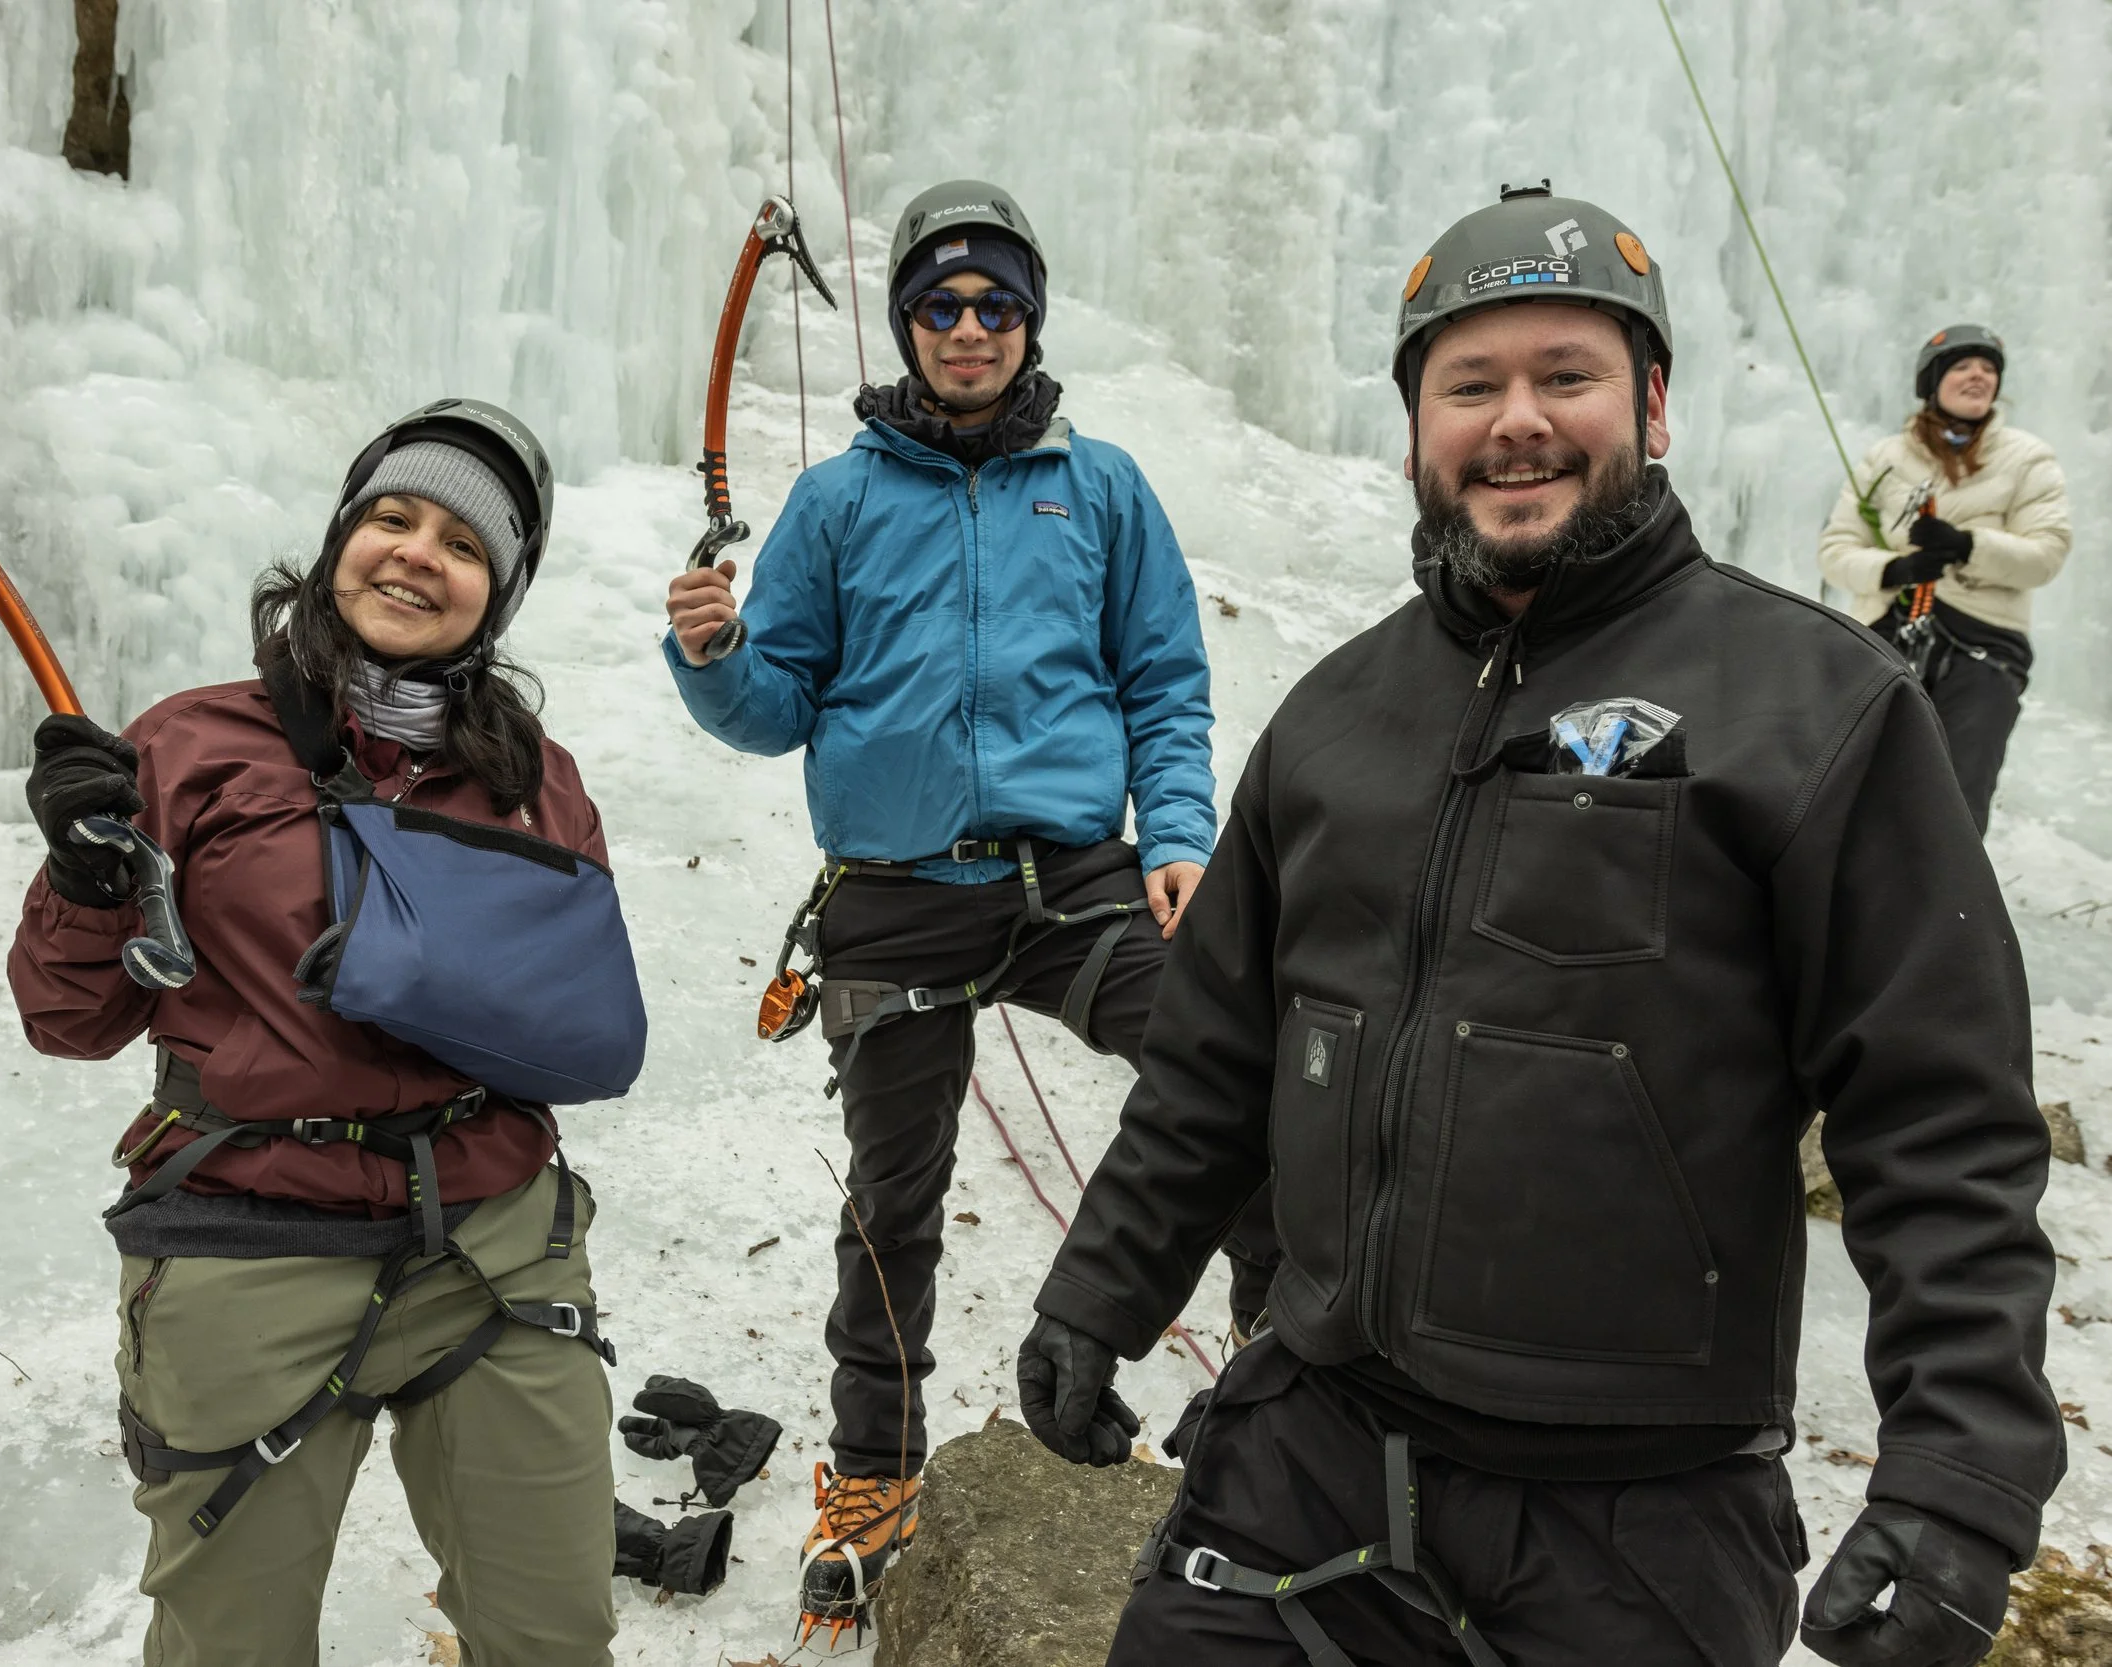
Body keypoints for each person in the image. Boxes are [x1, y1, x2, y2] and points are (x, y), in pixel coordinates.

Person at [1017, 184, 2064, 1667]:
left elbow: (1939, 1121)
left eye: (1564, 376)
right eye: (1471, 384)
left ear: (1650, 405)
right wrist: (1099, 1292)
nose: (1517, 421)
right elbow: (1213, 1062)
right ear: (1414, 432)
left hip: (1635, 1521)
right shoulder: (1335, 715)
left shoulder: (1817, 708)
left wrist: (1961, 1472)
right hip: (1309, 1453)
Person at [663, 179, 1218, 1636]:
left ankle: (1281, 1378)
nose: (968, 325)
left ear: (1029, 318)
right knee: (892, 1193)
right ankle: (874, 1465)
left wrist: (1177, 831)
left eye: (995, 302)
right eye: (940, 303)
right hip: (894, 899)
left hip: (1074, 884)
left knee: (1224, 1072)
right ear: (908, 324)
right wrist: (716, 658)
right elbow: (774, 705)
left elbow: (1163, 677)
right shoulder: (840, 499)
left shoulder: (1097, 486)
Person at [8, 400, 627, 1667]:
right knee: (232, 1644)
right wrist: (81, 876)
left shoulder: (534, 777)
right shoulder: (189, 745)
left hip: (490, 1234)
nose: (415, 553)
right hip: (247, 1232)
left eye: (462, 542)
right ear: (339, 539)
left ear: (496, 593)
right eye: (392, 518)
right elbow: (71, 1020)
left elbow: (581, 1022)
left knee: (553, 1635)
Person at [1818, 324, 2070, 832]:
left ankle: (1943, 907)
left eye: (1989, 368)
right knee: (1848, 780)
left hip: (1984, 645)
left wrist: (1967, 547)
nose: (1978, 375)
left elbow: (2047, 553)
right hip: (1889, 630)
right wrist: (1896, 568)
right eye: (1961, 365)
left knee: (1957, 793)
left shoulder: (2027, 458)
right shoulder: (1886, 459)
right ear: (1933, 381)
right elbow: (1836, 550)